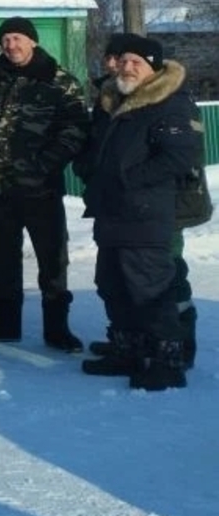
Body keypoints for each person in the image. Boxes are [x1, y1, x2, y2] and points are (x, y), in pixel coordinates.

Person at [74, 36, 202, 390]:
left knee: (150, 291)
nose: (127, 67)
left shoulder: (168, 103)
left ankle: (167, 360)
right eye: (125, 61)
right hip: (113, 214)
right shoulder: (122, 103)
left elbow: (179, 157)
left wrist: (128, 179)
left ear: (153, 69)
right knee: (112, 285)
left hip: (144, 215)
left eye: (137, 63)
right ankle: (127, 350)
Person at [0, 16, 91, 351]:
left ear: (33, 41)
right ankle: (3, 323)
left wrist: (44, 165)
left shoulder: (58, 80)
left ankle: (57, 329)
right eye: (6, 40)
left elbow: (76, 128)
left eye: (18, 38)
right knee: (0, 261)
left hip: (41, 189)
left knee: (52, 262)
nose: (11, 45)